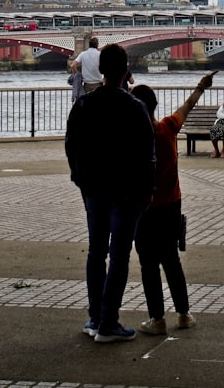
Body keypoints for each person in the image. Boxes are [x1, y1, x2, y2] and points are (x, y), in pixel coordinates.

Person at [65, 43, 155, 343]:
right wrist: (148, 191)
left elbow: (70, 145)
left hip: (94, 190)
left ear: (101, 69)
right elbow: (147, 153)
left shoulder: (83, 106)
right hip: (128, 191)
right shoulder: (135, 107)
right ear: (125, 70)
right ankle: (109, 322)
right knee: (119, 255)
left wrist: (80, 179)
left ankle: (94, 318)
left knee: (96, 252)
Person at [130, 72, 215, 336]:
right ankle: (184, 313)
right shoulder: (168, 128)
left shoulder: (134, 140)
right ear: (155, 107)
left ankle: (157, 318)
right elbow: (186, 108)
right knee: (171, 260)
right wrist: (201, 87)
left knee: (148, 264)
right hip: (171, 205)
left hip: (144, 208)